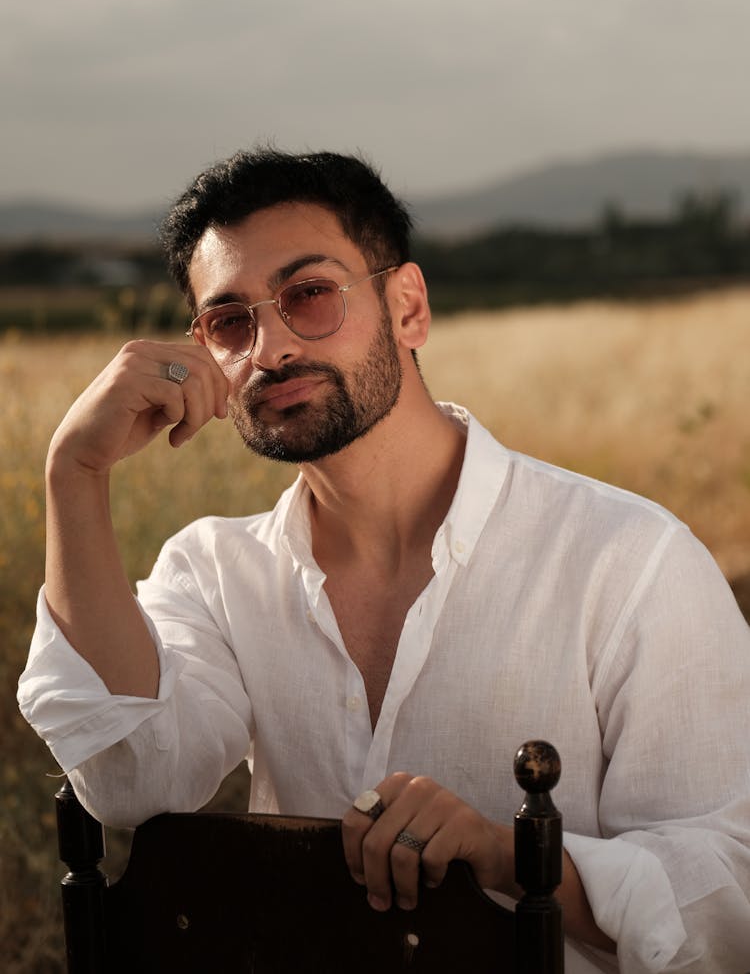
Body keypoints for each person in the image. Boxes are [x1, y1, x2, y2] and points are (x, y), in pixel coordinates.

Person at [18, 148, 750, 974]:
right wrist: (73, 475)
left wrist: (507, 855)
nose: (272, 347)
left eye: (310, 294)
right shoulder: (215, 573)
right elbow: (129, 784)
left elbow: (729, 898)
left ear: (407, 307)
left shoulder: (631, 563)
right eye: (231, 321)